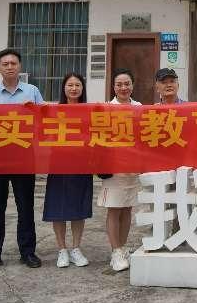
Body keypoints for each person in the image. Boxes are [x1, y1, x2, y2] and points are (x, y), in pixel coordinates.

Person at [0, 48, 44, 272]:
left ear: (20, 66)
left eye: (14, 63)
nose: (10, 67)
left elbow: (45, 121)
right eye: (5, 64)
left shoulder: (32, 92)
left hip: (24, 155)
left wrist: (34, 112)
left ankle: (28, 252)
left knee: (25, 207)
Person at [43, 73, 93, 269]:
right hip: (58, 165)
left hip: (81, 165)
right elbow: (38, 126)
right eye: (70, 85)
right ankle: (62, 249)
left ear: (82, 88)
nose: (73, 88)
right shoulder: (54, 111)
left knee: (78, 208)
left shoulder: (89, 111)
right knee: (58, 208)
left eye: (77, 85)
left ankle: (76, 248)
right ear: (64, 88)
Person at [98, 68, 142, 272]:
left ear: (132, 85)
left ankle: (122, 248)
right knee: (114, 209)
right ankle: (115, 251)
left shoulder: (139, 107)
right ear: (113, 87)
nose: (123, 88)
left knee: (127, 208)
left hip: (133, 168)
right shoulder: (107, 108)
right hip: (114, 168)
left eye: (127, 84)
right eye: (119, 84)